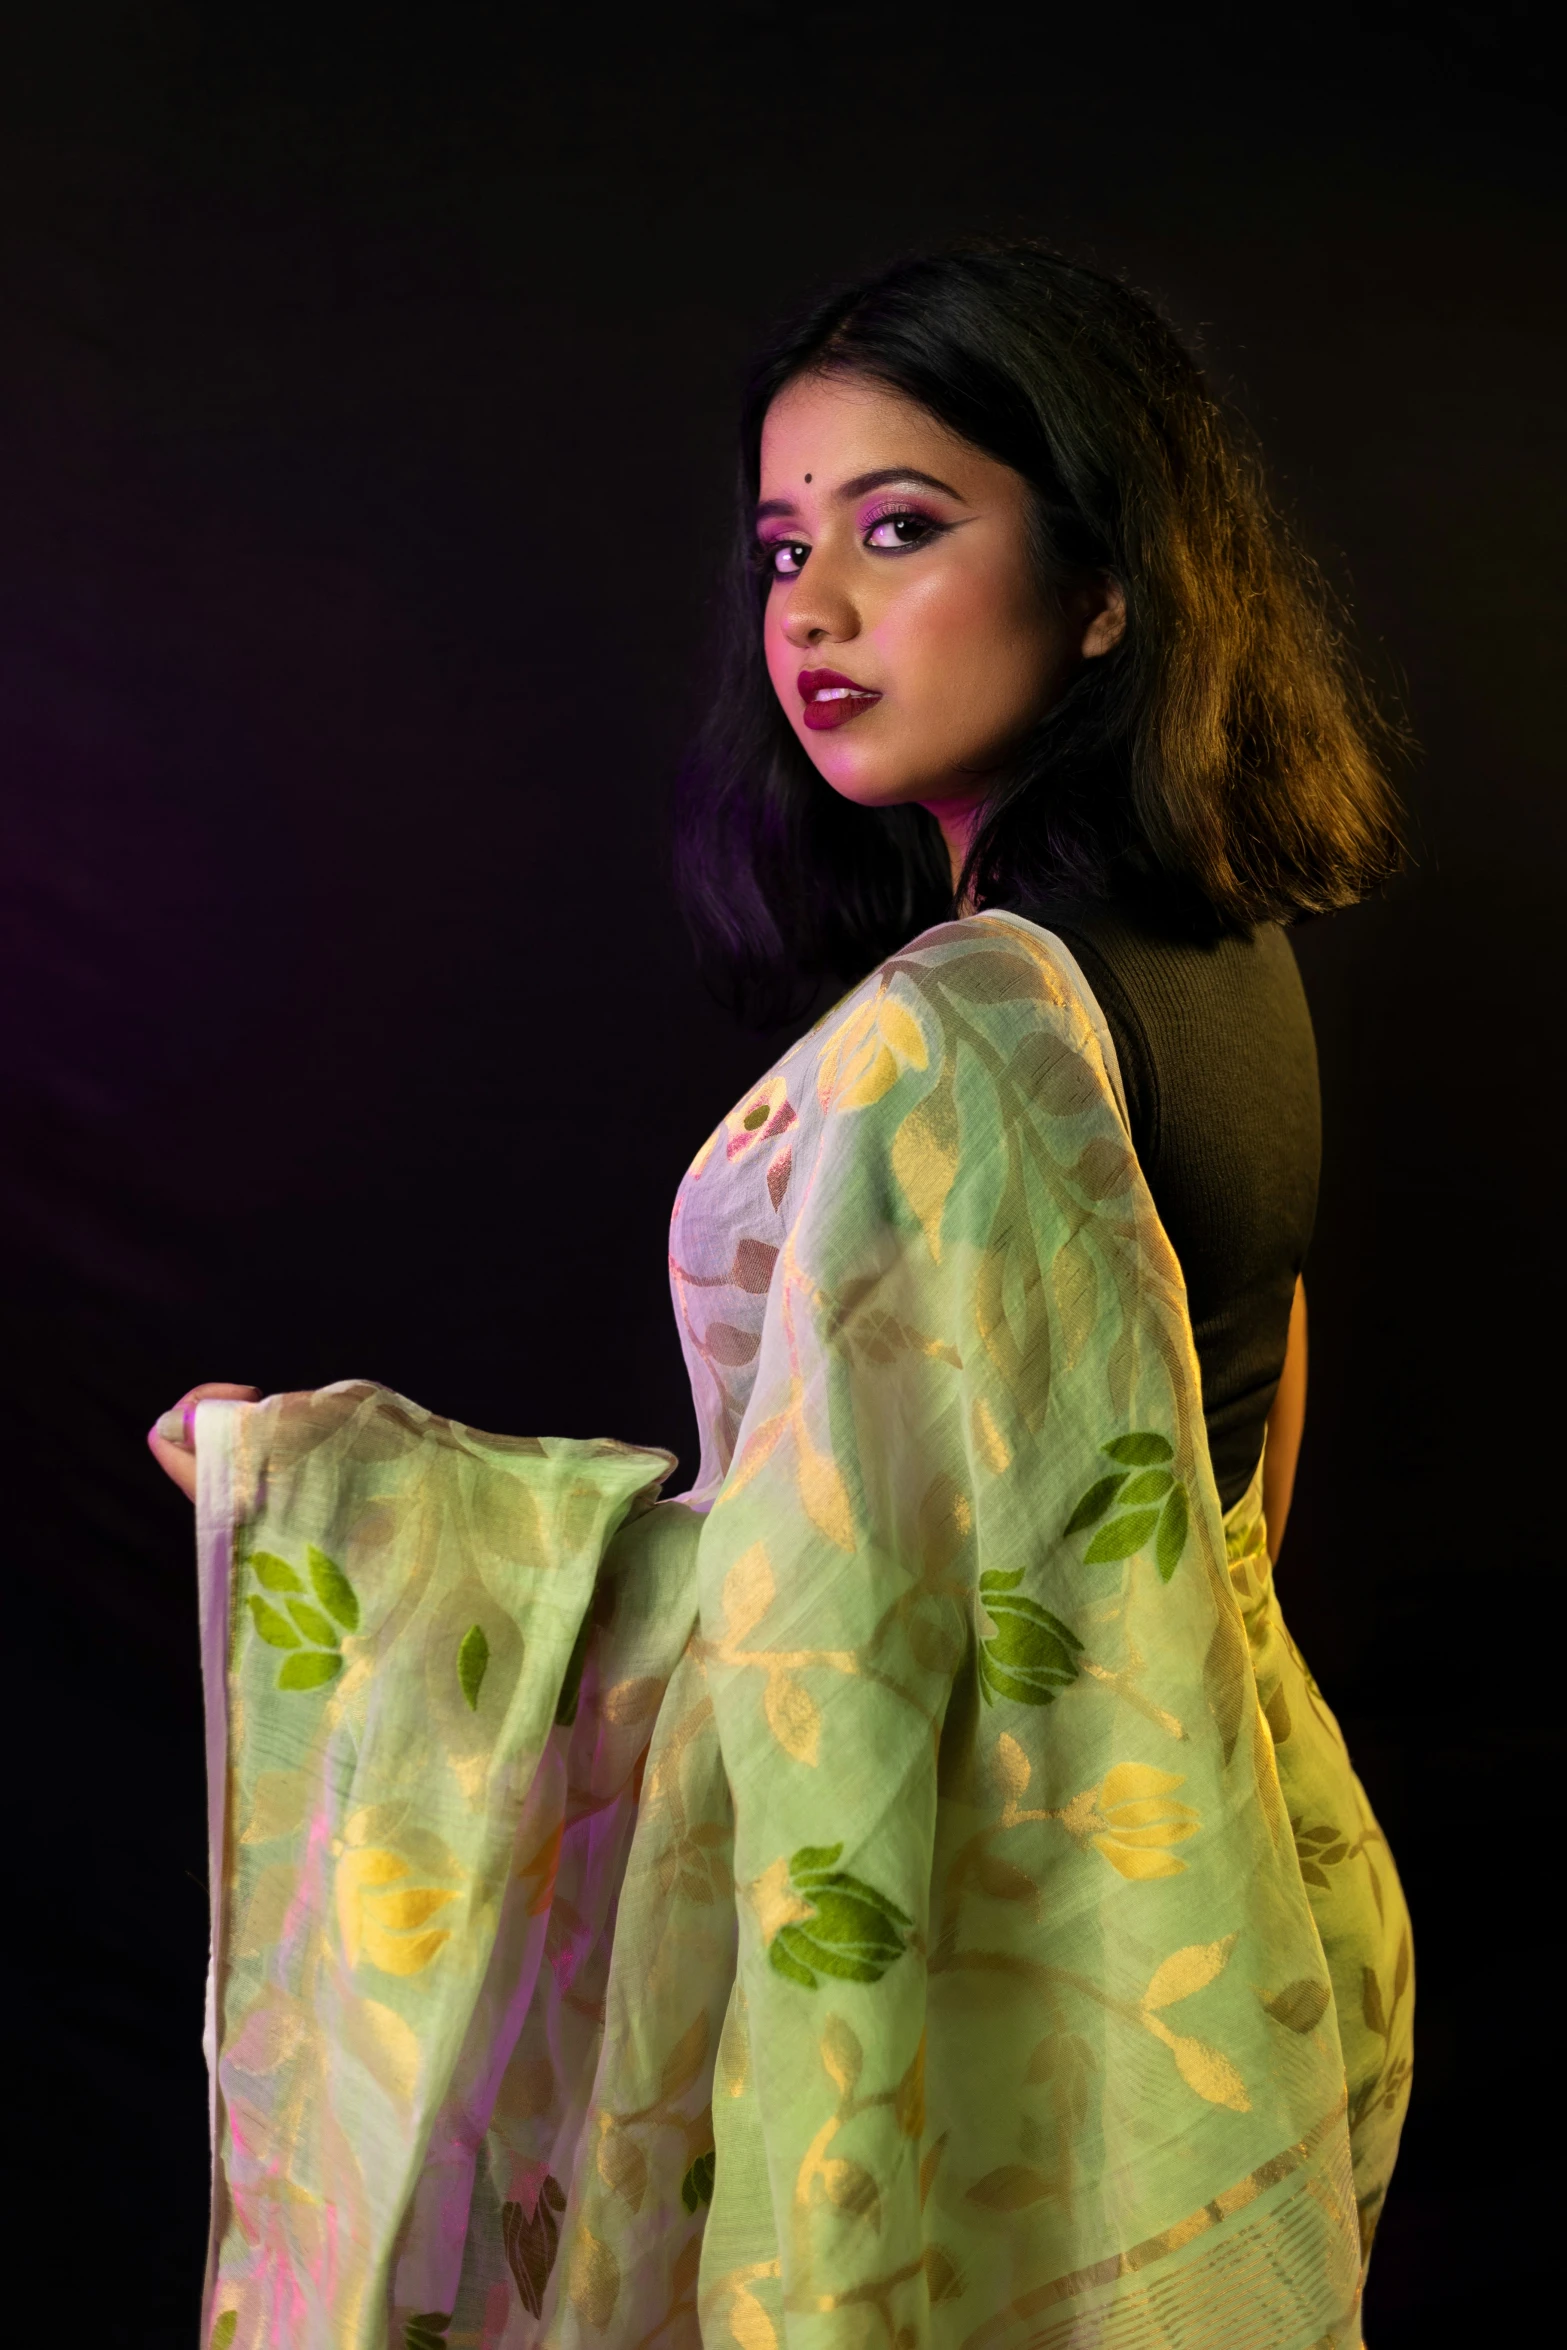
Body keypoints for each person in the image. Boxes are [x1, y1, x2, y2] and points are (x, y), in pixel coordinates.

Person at [153, 244, 1411, 2350]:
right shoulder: (1231, 962)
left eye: (901, 527)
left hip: (1022, 1977)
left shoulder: (969, 1036)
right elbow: (1237, 1470)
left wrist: (331, 1501)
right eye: (780, 544)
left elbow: (825, 1652)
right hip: (1247, 1893)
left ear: (1107, 583)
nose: (810, 611)